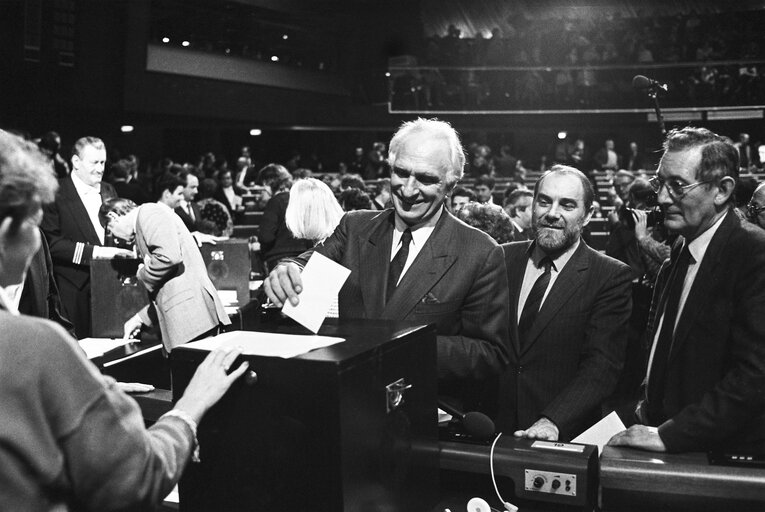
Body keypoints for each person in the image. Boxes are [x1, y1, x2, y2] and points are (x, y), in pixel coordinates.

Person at [0, 129, 248, 511]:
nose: (39, 243)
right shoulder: (33, 345)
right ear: (7, 234)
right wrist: (189, 407)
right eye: (33, 226)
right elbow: (136, 477)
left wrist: (87, 389)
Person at [264, 118, 510, 407]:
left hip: (420, 411)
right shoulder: (355, 227)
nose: (407, 190)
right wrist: (290, 269)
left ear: (451, 184)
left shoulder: (480, 252)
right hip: (346, 400)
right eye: (401, 173)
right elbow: (309, 264)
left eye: (426, 179)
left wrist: (404, 345)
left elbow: (489, 353)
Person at [609, 127, 765, 453]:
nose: (663, 198)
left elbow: (755, 376)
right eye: (660, 183)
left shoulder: (754, 253)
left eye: (678, 186)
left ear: (722, 191)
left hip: (711, 454)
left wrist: (670, 435)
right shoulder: (682, 244)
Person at [495, 165, 632, 441]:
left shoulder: (609, 275)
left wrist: (552, 421)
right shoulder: (499, 259)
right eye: (544, 201)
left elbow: (602, 366)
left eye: (567, 205)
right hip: (493, 429)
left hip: (562, 434)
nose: (552, 213)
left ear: (588, 215)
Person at [103, 197, 231, 352]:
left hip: (191, 320)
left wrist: (142, 273)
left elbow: (169, 257)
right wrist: (141, 318)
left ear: (113, 217)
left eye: (109, 230)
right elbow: (171, 286)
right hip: (191, 320)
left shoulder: (149, 213)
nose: (115, 239)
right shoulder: (148, 217)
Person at [41, 136, 134, 338]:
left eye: (103, 162)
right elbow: (52, 244)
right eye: (95, 163)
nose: (100, 169)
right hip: (73, 291)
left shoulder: (109, 189)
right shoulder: (54, 192)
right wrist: (99, 253)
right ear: (76, 162)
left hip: (109, 285)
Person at [256, 164, 313, 270]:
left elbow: (266, 237)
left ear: (268, 182)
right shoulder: (302, 199)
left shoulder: (275, 201)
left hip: (281, 261)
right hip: (305, 259)